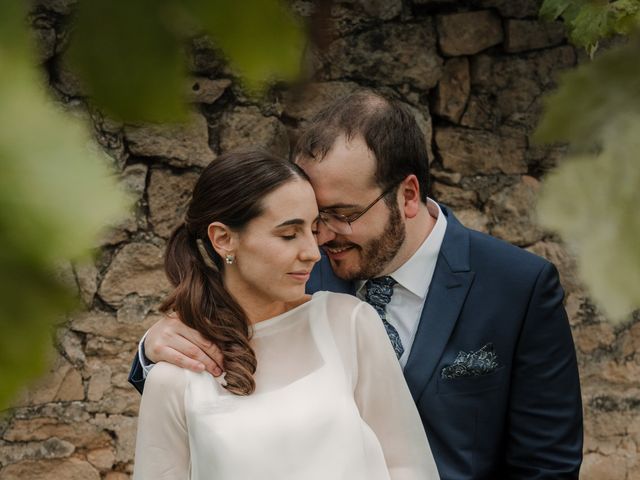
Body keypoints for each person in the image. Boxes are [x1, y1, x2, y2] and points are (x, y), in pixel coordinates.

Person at [129, 91, 583, 479]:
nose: (320, 238)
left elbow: (546, 465)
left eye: (341, 215)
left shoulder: (517, 286)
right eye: (309, 220)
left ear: (407, 195)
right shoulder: (303, 276)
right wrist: (151, 352)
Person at [132, 148, 440, 480]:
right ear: (223, 239)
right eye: (289, 234)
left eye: (313, 229)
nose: (313, 253)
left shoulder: (349, 323)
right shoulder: (175, 377)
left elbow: (409, 466)